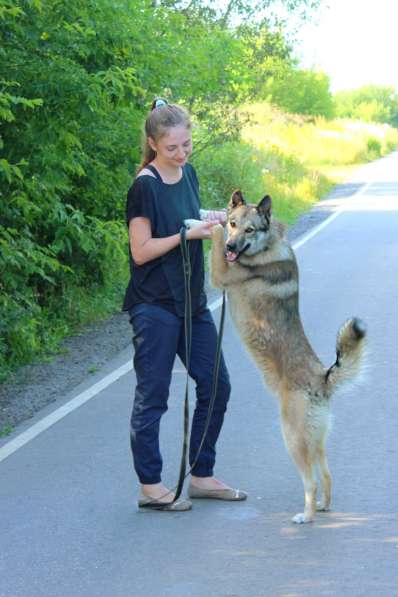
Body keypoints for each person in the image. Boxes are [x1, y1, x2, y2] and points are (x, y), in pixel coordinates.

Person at [123, 98, 247, 511]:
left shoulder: (188, 173)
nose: (180, 154)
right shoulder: (144, 186)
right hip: (154, 305)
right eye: (172, 148)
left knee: (218, 384)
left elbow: (186, 214)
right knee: (154, 395)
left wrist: (213, 219)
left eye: (186, 145)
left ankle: (201, 474)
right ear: (153, 143)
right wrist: (187, 236)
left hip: (192, 302)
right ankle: (150, 487)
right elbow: (141, 251)